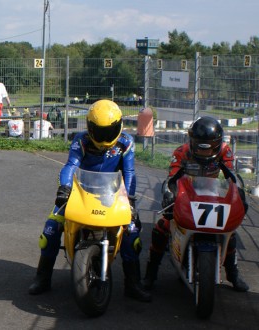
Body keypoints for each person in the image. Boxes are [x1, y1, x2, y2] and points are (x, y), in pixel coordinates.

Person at [28, 99, 151, 302]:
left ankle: (133, 284)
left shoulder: (126, 143)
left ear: (119, 126)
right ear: (90, 127)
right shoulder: (81, 140)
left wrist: (129, 200)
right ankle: (43, 278)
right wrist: (64, 189)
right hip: (81, 192)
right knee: (51, 228)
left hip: (112, 193)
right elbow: (70, 165)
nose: (103, 138)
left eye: (108, 131)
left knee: (132, 233)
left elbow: (129, 173)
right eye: (99, 131)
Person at [143, 116, 249, 292]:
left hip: (212, 193)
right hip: (186, 192)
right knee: (162, 227)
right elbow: (172, 177)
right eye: (200, 146)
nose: (204, 152)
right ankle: (150, 274)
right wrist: (169, 194)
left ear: (217, 144)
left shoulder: (225, 151)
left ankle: (233, 274)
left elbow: (232, 176)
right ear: (192, 142)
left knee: (230, 233)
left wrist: (240, 194)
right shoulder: (181, 152)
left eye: (209, 147)